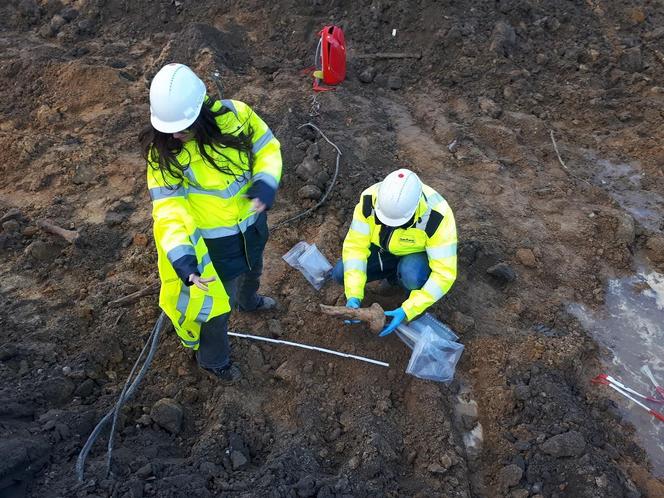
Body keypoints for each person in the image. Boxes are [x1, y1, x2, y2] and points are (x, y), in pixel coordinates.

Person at [140, 63, 282, 381]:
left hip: (252, 227)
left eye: (184, 125)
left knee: (254, 268)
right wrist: (182, 257)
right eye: (168, 128)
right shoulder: (164, 156)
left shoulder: (238, 116)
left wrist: (266, 180)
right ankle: (213, 360)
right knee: (218, 307)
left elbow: (267, 148)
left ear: (202, 110)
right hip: (215, 246)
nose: (175, 134)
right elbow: (169, 211)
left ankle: (250, 302)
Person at [332, 169, 457, 336]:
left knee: (412, 274)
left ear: (414, 211)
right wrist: (353, 294)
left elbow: (444, 274)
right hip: (384, 250)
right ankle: (392, 277)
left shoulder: (437, 217)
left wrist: (409, 309)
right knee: (341, 272)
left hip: (416, 259)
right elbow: (356, 247)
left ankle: (406, 292)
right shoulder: (370, 200)